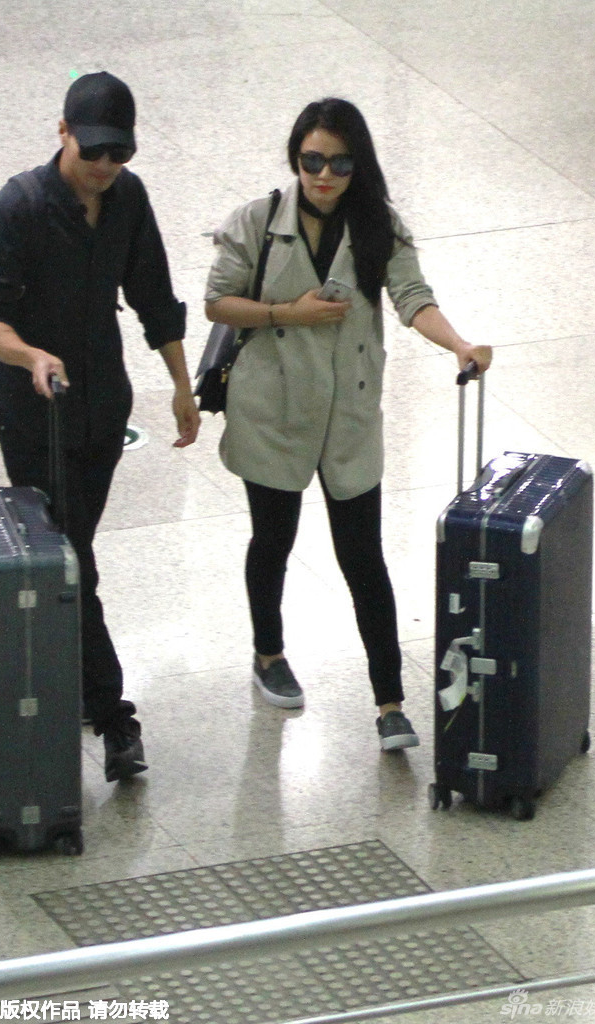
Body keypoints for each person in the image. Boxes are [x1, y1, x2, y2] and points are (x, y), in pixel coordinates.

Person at [204, 97, 491, 751]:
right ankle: (269, 654)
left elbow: (412, 297)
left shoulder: (377, 227)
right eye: (312, 161)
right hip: (272, 410)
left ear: (358, 165)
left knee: (363, 559)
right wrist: (289, 314)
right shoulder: (256, 221)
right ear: (295, 158)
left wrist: (458, 345)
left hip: (349, 418)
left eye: (339, 163)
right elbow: (218, 303)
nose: (324, 176)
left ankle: (390, 702)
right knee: (272, 540)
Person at [0, 71, 200, 781]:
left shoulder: (128, 199)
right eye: (92, 149)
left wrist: (182, 386)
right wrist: (31, 356)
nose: (104, 166)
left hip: (103, 408)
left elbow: (155, 296)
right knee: (73, 557)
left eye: (118, 153)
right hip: (34, 414)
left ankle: (68, 682)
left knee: (74, 551)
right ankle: (114, 717)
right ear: (62, 131)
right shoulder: (18, 208)